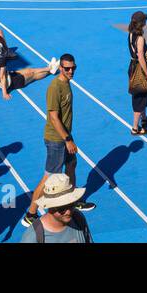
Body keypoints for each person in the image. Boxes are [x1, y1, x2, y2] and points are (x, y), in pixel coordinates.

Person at [24, 54, 95, 227]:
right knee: (49, 177)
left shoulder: (66, 82)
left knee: (71, 165)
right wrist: (68, 139)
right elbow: (54, 118)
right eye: (67, 68)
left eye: (73, 68)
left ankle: (73, 200)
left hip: (65, 135)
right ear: (60, 68)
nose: (71, 71)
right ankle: (31, 214)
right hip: (57, 139)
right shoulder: (55, 87)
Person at [19, 173, 92, 244]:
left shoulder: (77, 217)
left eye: (72, 205)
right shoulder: (32, 237)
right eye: (62, 208)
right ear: (50, 206)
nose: (68, 212)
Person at [127, 12, 147, 136]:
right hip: (139, 69)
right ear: (142, 23)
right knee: (140, 96)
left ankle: (144, 118)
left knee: (143, 94)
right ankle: (135, 128)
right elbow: (140, 56)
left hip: (132, 67)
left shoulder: (131, 34)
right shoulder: (140, 38)